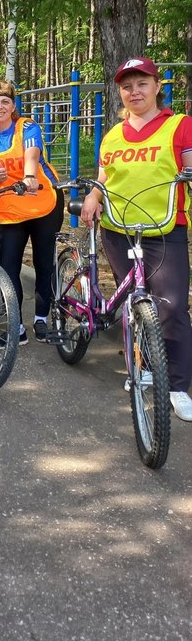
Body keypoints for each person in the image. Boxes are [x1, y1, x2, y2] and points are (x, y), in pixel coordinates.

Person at [81, 57, 192, 421]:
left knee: (172, 306)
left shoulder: (179, 126)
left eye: (142, 83)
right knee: (133, 303)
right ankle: (141, 368)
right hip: (118, 229)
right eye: (127, 86)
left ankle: (177, 386)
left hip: (165, 229)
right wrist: (94, 196)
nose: (134, 91)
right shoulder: (113, 135)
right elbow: (105, 176)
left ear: (157, 87)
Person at [0, 78, 64, 344]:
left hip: (43, 202)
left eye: (5, 101)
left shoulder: (27, 127)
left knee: (43, 262)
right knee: (8, 266)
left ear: (13, 106)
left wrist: (28, 176)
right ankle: (16, 326)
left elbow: (32, 155)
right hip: (9, 208)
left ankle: (41, 319)